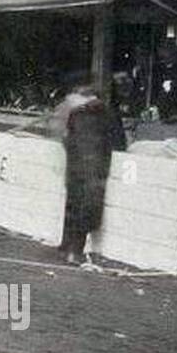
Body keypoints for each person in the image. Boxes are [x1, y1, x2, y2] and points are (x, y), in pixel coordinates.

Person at [57, 82, 126, 265]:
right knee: (87, 210)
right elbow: (120, 144)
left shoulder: (75, 113)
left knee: (73, 205)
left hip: (75, 166)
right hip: (95, 168)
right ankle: (76, 251)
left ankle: (66, 246)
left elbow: (66, 139)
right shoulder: (109, 115)